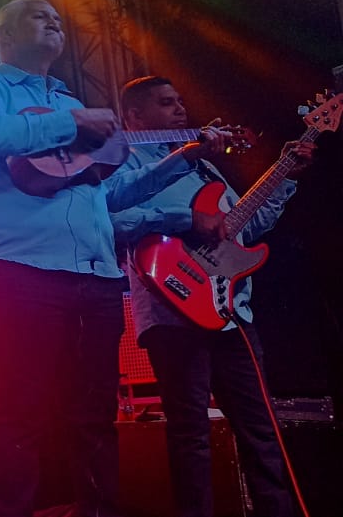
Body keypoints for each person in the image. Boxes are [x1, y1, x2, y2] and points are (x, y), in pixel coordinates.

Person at [0, 0, 227, 517]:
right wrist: (72, 121)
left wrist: (182, 158)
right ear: (5, 34)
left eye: (58, 17)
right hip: (17, 270)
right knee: (19, 415)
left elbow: (108, 191)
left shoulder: (69, 98)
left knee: (96, 417)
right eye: (39, 15)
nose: (54, 21)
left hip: (97, 276)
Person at [111, 76, 314, 517]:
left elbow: (247, 227)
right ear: (136, 116)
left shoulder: (206, 166)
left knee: (261, 430)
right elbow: (112, 221)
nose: (180, 109)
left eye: (181, 100)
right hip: (172, 310)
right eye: (167, 103)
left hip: (229, 313)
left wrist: (283, 178)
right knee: (191, 435)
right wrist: (184, 218)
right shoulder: (125, 161)